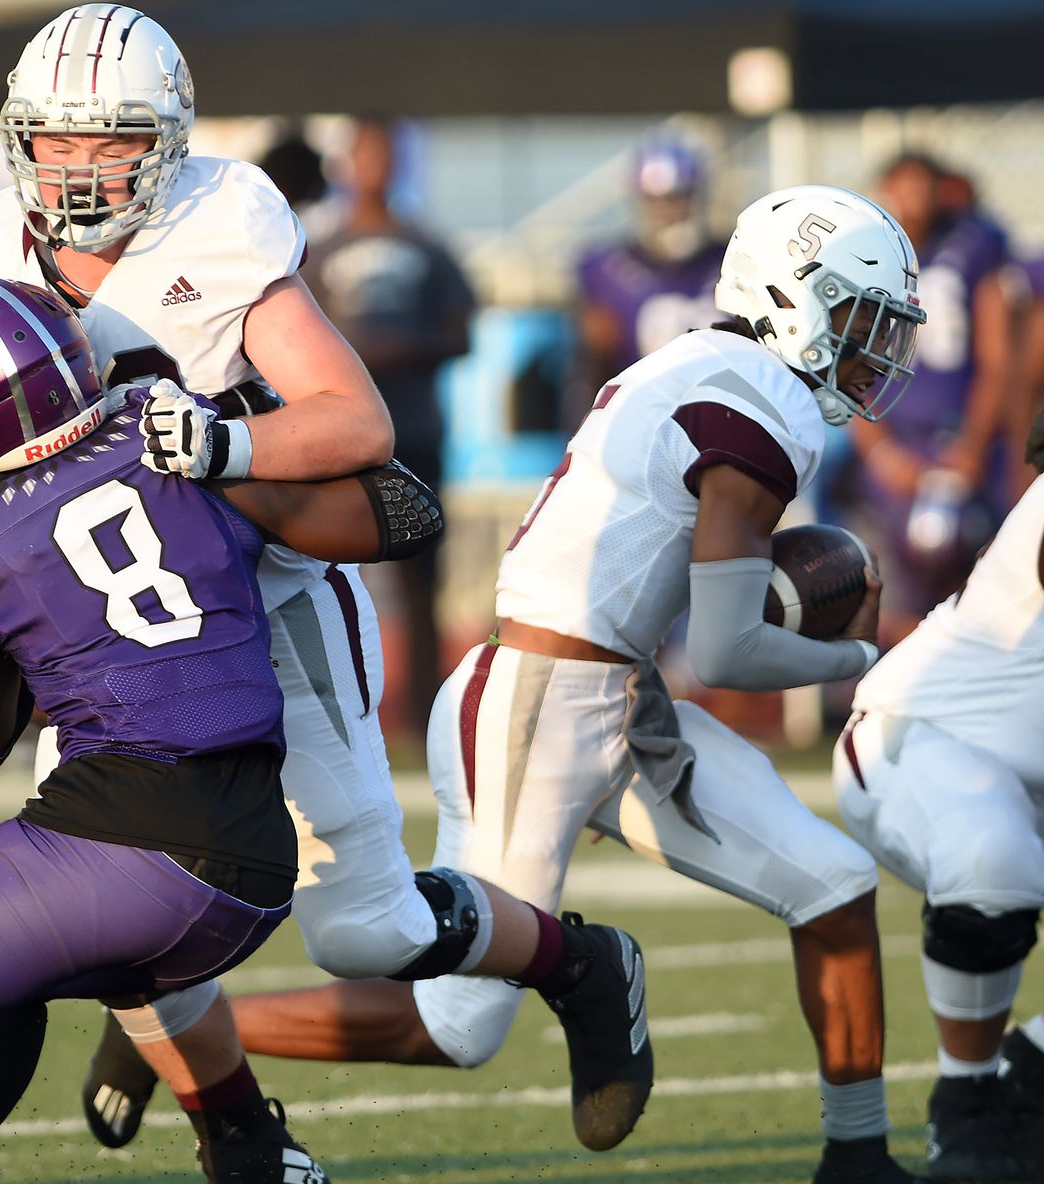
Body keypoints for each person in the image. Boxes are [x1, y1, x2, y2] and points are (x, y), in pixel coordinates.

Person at [0, 5, 652, 1173]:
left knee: (366, 925)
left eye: (112, 142)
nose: (80, 170)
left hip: (268, 594)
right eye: (54, 142)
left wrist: (220, 446)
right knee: (112, 893)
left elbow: (357, 421)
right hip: (103, 617)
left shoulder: (222, 219)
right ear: (14, 141)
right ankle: (242, 1135)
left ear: (170, 140)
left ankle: (577, 962)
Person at [136, 184, 927, 1184]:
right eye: (858, 322)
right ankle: (185, 1029)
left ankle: (857, 1156)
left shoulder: (706, 364)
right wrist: (859, 657)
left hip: (614, 698)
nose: (872, 353)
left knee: (835, 884)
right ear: (789, 298)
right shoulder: (756, 404)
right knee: (460, 1020)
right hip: (531, 706)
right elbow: (728, 654)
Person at [0, 274, 435, 1183]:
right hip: (251, 865)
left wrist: (7, 618)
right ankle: (253, 1153)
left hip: (121, 845)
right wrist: (234, 445)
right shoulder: (170, 447)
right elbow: (408, 515)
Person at [830, 417, 1044, 1183]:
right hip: (923, 748)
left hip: (1025, 783)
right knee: (993, 860)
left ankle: (1033, 1067)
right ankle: (970, 1100)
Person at [303, 118, 477, 746]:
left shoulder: (428, 248)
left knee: (420, 576)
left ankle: (428, 717)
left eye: (384, 154)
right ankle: (337, 714)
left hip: (415, 433)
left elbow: (462, 333)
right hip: (337, 441)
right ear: (346, 162)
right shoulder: (317, 252)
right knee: (326, 577)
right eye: (363, 153)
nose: (373, 165)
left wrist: (390, 349)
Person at [841, 153, 1015, 649]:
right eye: (903, 187)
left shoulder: (973, 246)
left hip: (962, 441)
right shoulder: (858, 258)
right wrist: (880, 452)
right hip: (894, 441)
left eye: (923, 186)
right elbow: (842, 365)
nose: (913, 200)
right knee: (894, 593)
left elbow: (997, 357)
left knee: (980, 586)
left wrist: (974, 448)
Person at [573, 134, 728, 426]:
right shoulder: (604, 269)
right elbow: (590, 368)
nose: (671, 212)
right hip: (638, 423)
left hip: (724, 419)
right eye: (659, 202)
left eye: (681, 197)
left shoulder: (732, 259)